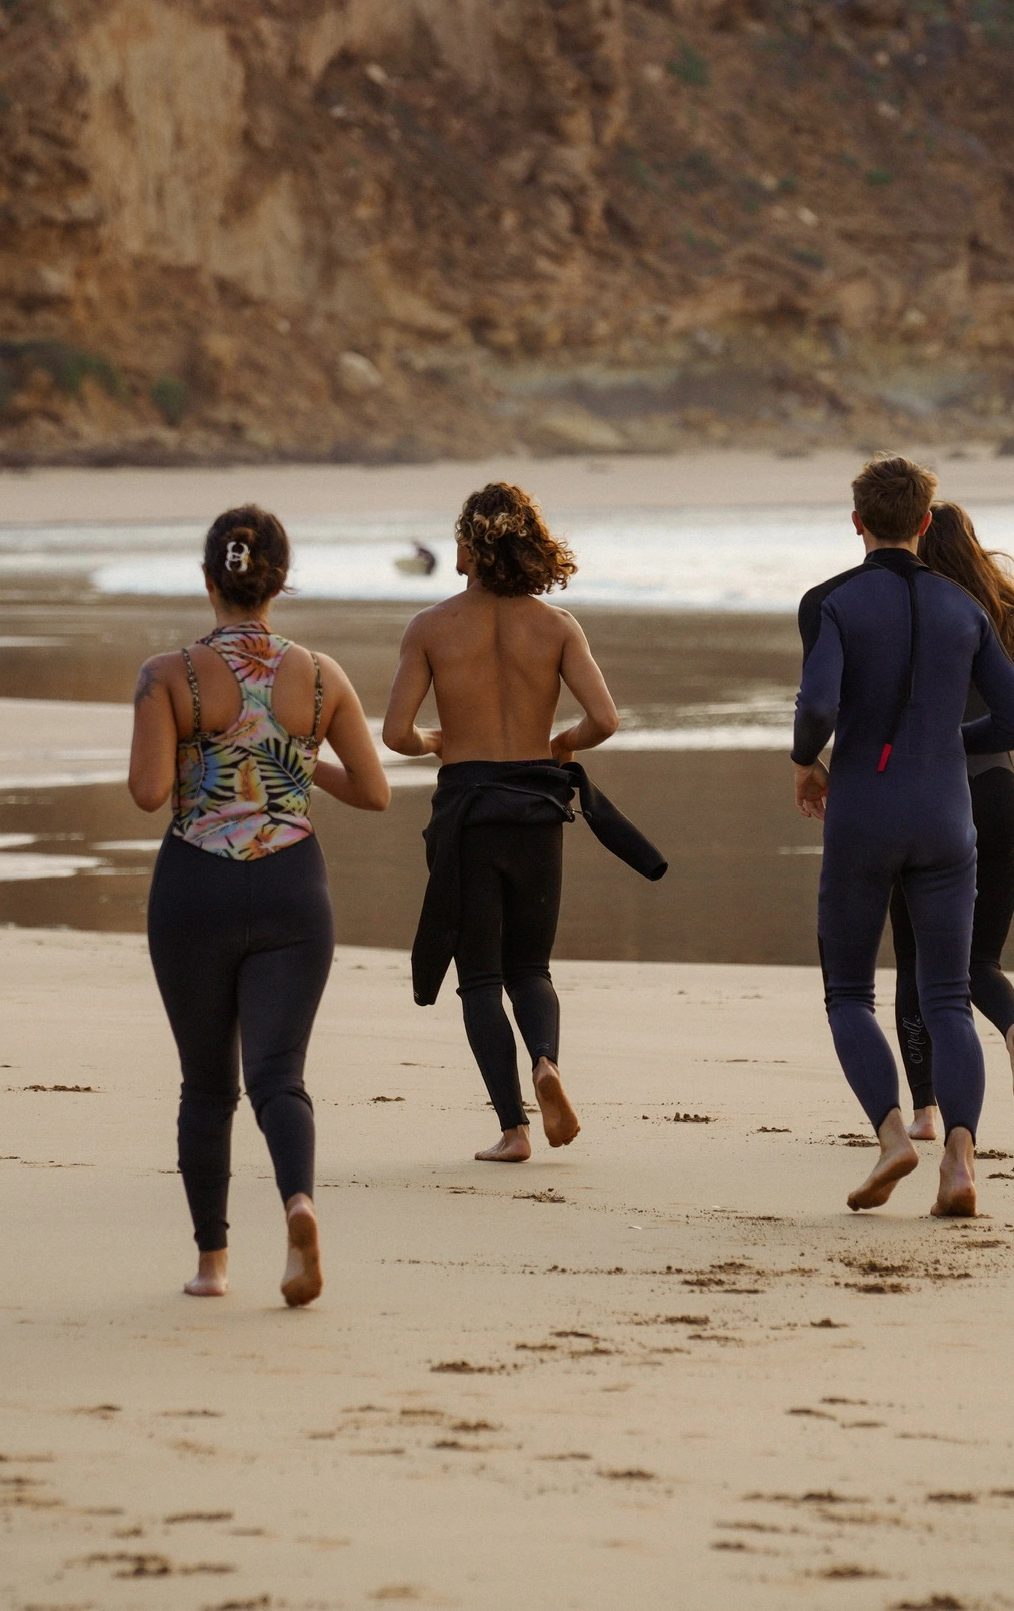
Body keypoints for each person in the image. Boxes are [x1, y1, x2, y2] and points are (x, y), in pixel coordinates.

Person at [128, 505, 389, 1305]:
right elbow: (375, 792)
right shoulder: (321, 676)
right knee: (279, 1078)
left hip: (194, 888)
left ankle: (213, 1266)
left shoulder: (166, 675)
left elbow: (148, 793)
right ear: (281, 582)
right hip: (291, 889)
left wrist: (205, 758)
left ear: (209, 579)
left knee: (207, 1087)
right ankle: (299, 1205)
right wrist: (288, 765)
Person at [383, 481, 666, 1164]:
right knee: (531, 969)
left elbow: (395, 734)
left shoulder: (430, 628)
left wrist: (437, 741)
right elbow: (604, 721)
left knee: (479, 978)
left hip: (470, 815)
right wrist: (559, 744)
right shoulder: (557, 627)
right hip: (538, 810)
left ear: (470, 547)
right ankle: (546, 1064)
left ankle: (514, 1129)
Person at [793, 455, 1014, 1219]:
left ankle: (894, 1135)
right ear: (925, 522)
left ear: (858, 521)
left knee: (847, 993)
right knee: (945, 994)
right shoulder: (964, 609)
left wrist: (808, 761)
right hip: (946, 819)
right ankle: (960, 1160)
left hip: (865, 815)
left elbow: (818, 707)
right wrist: (941, 733)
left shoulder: (829, 603)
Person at [890, 502, 1014, 1140]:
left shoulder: (908, 612)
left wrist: (942, 740)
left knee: (914, 958)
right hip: (999, 791)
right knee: (980, 958)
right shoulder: (1008, 615)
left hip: (925, 797)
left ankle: (925, 1112)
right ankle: (1012, 1032)